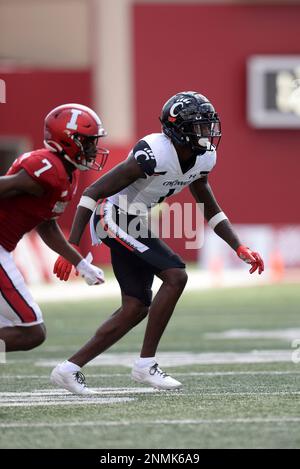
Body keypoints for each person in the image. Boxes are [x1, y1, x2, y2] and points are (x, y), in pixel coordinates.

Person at [51, 91, 264, 394]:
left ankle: (68, 369)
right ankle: (145, 365)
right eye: (199, 126)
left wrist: (238, 246)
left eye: (208, 125)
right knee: (176, 274)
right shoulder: (152, 153)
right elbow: (93, 192)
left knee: (136, 306)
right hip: (113, 217)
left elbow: (209, 207)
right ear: (177, 129)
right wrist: (72, 248)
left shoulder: (204, 158)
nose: (207, 133)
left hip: (134, 220)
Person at [0, 103, 107, 353]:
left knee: (24, 329)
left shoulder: (66, 173)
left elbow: (47, 225)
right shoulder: (47, 168)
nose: (93, 148)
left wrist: (80, 263)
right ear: (68, 140)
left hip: (4, 249)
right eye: (88, 142)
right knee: (31, 331)